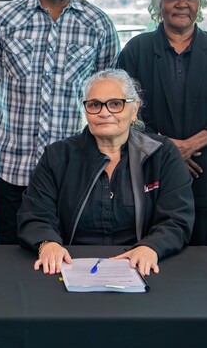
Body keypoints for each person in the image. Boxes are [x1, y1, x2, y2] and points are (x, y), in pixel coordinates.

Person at [0, 0, 119, 245]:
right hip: (13, 167)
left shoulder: (98, 25)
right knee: (7, 255)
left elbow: (104, 97)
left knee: (67, 256)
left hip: (72, 173)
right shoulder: (1, 21)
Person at [18, 69, 194, 276]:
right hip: (68, 265)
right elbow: (35, 214)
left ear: (134, 108)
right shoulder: (56, 156)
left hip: (140, 265)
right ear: (85, 111)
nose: (104, 112)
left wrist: (152, 247)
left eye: (115, 104)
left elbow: (177, 218)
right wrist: (47, 243)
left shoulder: (162, 154)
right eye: (94, 105)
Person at [116, 0, 207, 246]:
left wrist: (189, 145)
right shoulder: (136, 51)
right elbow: (123, 112)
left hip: (204, 170)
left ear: (201, 3)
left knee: (200, 261)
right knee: (146, 251)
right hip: (148, 167)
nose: (181, 3)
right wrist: (171, 149)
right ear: (158, 4)